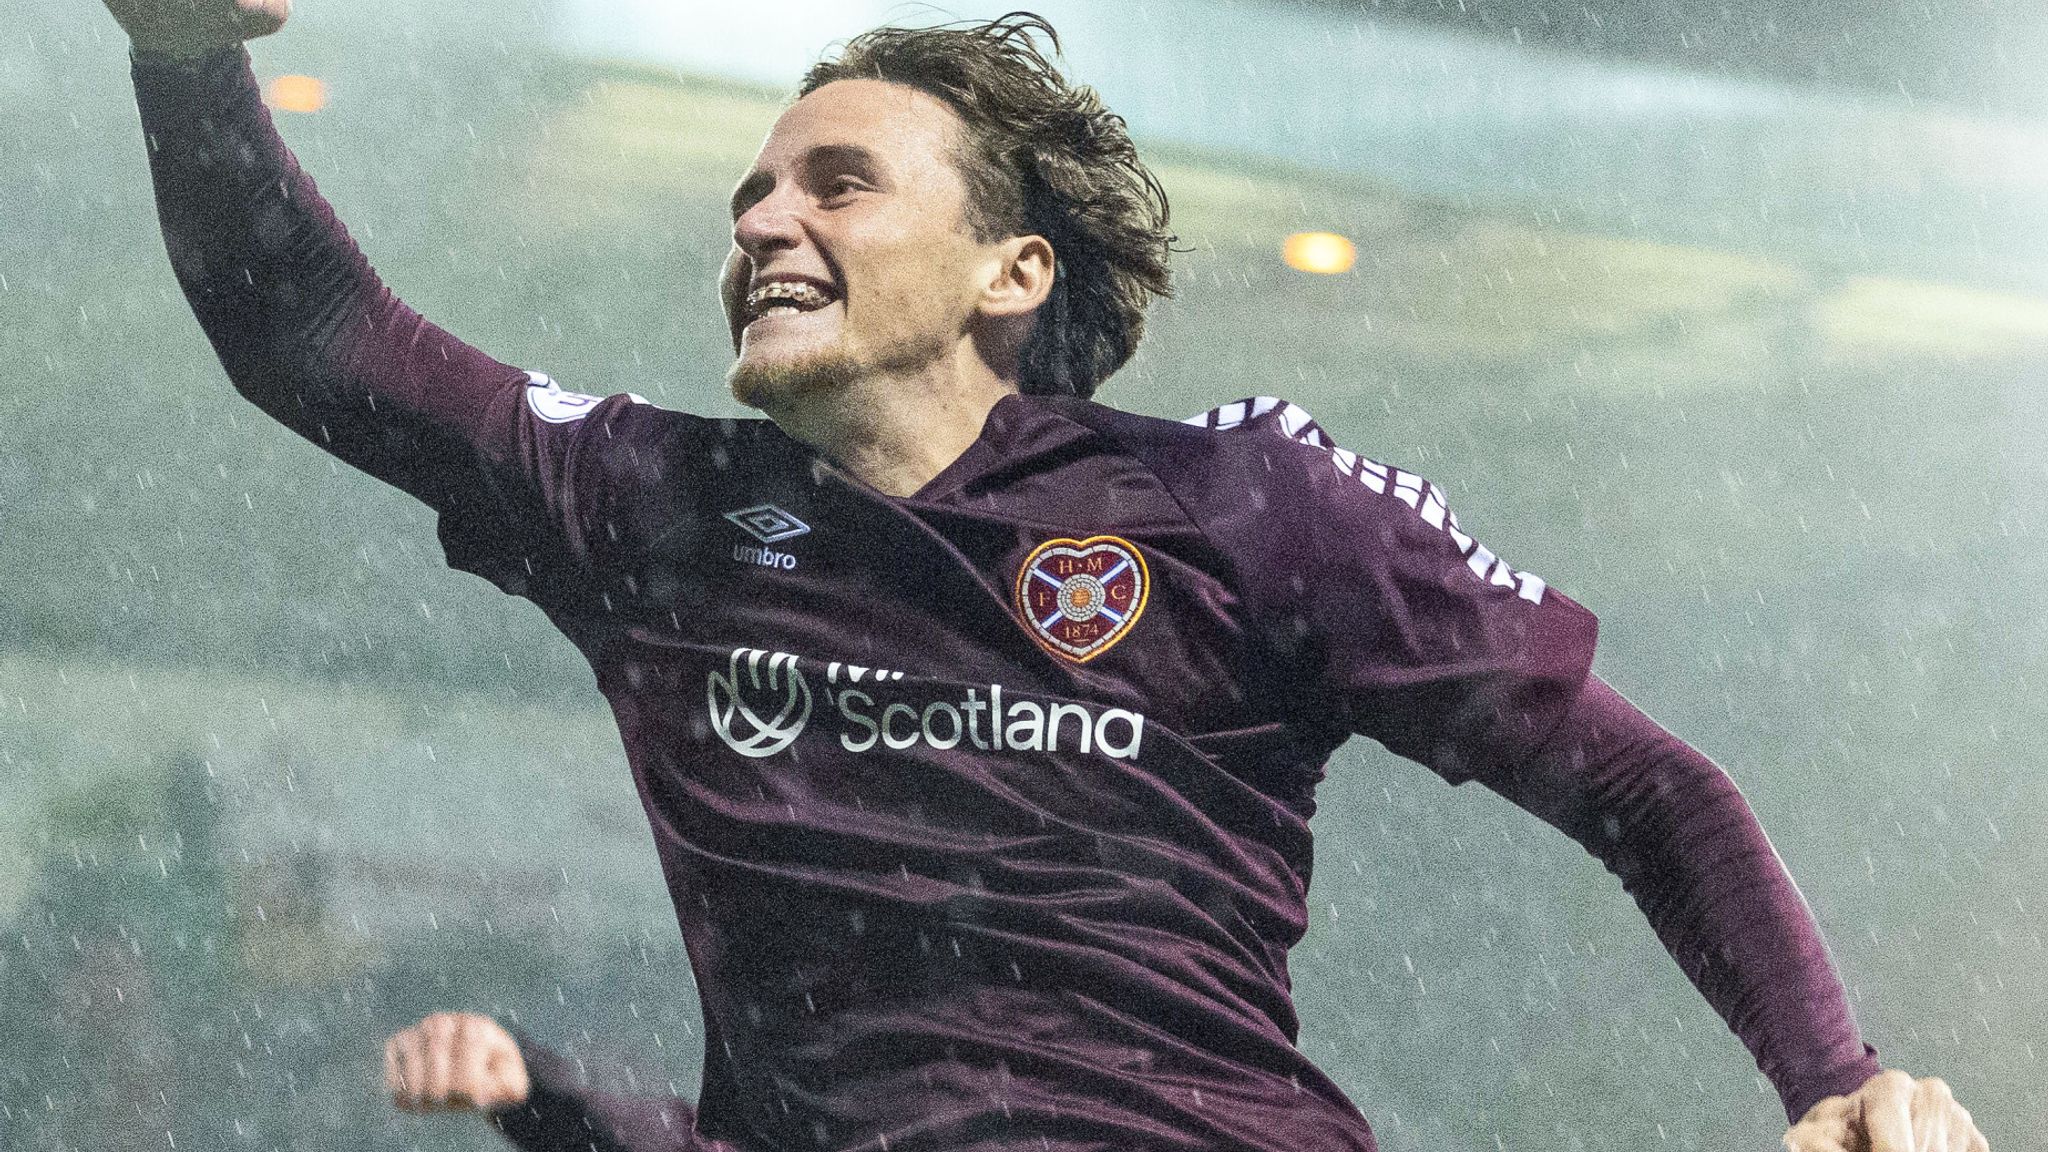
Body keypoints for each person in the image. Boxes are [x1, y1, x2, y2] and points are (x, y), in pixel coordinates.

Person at [97, 0, 1990, 1149]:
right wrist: (182, 52)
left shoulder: (1245, 506)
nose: (763, 216)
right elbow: (314, 340)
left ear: (1012, 274)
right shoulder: (661, 506)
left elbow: (1637, 780)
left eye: (837, 182)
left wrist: (1830, 1073)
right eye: (752, 190)